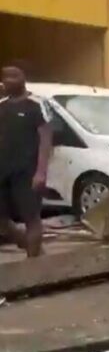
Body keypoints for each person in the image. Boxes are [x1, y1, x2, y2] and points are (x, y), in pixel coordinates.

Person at [0, 64, 52, 257]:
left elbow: (46, 138)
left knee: (31, 218)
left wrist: (41, 172)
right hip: (4, 170)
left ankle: (33, 266)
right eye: (6, 76)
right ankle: (24, 241)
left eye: (14, 75)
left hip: (28, 172)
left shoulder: (37, 104)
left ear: (23, 77)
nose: (9, 80)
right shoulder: (2, 106)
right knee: (3, 222)